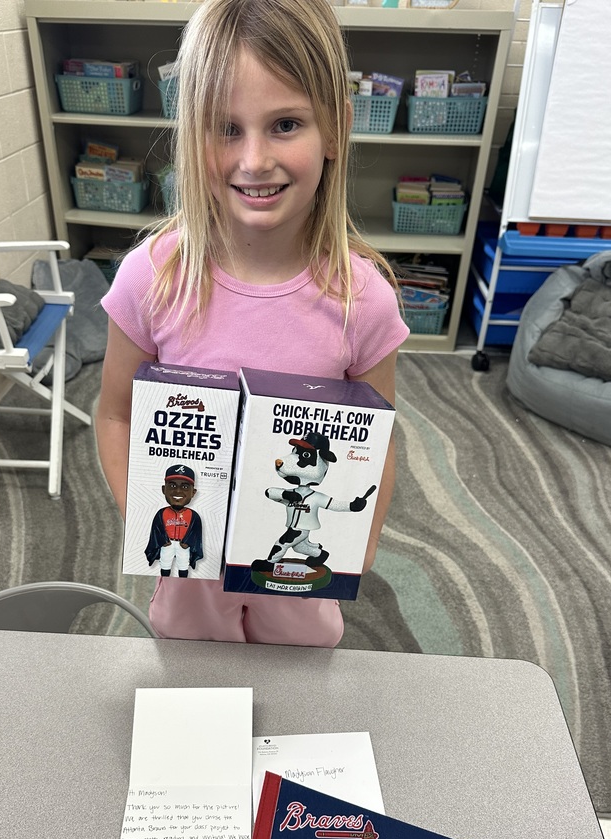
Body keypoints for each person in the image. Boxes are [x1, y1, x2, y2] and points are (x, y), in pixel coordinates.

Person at [96, 0, 409, 645]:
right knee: (192, 682)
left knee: (299, 680)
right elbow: (115, 413)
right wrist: (145, 514)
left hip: (298, 562)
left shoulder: (364, 301)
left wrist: (362, 540)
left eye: (286, 124)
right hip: (189, 562)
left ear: (337, 129)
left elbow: (376, 440)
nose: (254, 160)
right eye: (226, 128)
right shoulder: (152, 278)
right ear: (190, 132)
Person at [145, 464, 204, 578]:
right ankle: (165, 581)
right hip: (167, 544)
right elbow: (156, 531)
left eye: (185, 487)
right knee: (165, 564)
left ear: (193, 492)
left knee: (183, 565)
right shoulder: (161, 513)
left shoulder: (194, 515)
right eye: (172, 485)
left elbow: (196, 533)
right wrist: (163, 541)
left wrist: (188, 542)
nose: (178, 491)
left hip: (183, 545)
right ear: (164, 489)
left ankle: (183, 584)